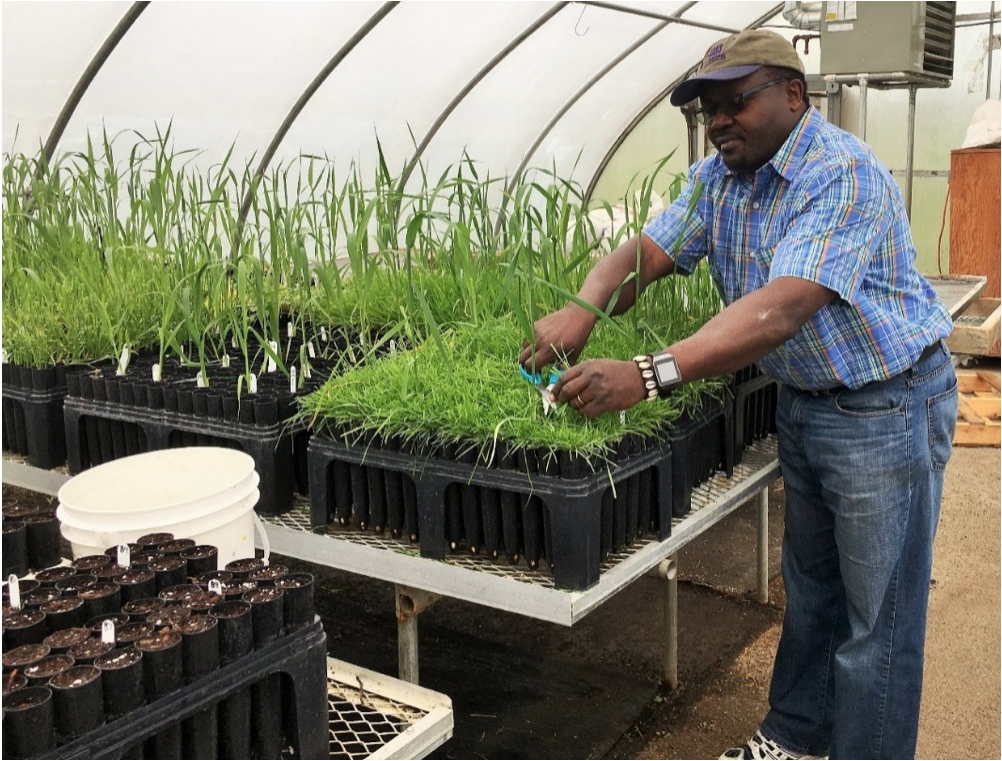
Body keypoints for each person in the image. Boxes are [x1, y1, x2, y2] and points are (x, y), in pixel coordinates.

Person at [519, 29, 958, 760]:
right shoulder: (717, 179)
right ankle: (794, 735)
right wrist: (586, 305)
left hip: (887, 405)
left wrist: (647, 373)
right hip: (807, 401)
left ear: (794, 95)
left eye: (734, 102)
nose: (719, 121)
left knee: (877, 620)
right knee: (812, 591)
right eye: (707, 109)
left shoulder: (840, 173)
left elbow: (780, 308)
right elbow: (648, 251)